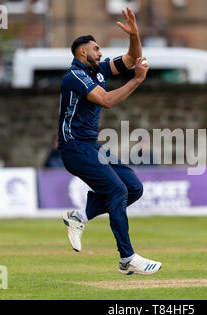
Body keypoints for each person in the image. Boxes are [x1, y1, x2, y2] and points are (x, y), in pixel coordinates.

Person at [58, 7, 161, 275]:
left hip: (91, 146)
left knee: (133, 188)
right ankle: (127, 257)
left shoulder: (98, 70)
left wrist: (135, 35)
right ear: (83, 53)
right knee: (117, 191)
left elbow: (133, 57)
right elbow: (106, 100)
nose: (101, 53)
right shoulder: (75, 76)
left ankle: (79, 216)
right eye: (96, 49)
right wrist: (137, 81)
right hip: (74, 148)